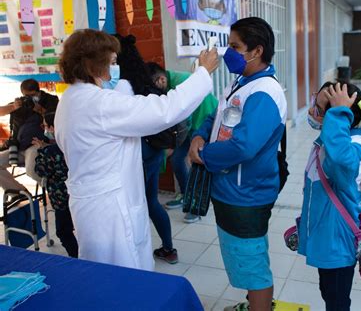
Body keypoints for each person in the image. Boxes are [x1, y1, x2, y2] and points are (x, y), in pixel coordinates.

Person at [55, 29, 218, 270]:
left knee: (102, 274)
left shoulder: (70, 99)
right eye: (111, 63)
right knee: (123, 277)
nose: (114, 69)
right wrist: (203, 72)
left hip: (92, 206)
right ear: (93, 65)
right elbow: (166, 110)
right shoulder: (100, 104)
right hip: (111, 211)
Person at [189, 17, 287, 311]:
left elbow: (245, 145)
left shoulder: (265, 93)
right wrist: (198, 135)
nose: (227, 52)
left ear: (256, 51)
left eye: (234, 46)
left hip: (246, 194)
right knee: (243, 260)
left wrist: (205, 156)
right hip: (230, 188)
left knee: (253, 266)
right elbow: (217, 114)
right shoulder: (242, 82)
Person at [298, 82, 361, 311]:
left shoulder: (353, 146)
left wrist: (337, 113)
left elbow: (340, 165)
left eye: (323, 108)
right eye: (317, 103)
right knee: (329, 292)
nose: (314, 111)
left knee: (337, 300)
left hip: (337, 242)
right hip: (326, 236)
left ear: (343, 117)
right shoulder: (329, 142)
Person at [113, 34, 177, 264]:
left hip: (137, 152)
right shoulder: (144, 79)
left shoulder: (120, 87)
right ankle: (168, 248)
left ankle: (133, 254)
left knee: (133, 204)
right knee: (150, 201)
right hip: (152, 150)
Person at [146, 62, 218, 223]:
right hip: (192, 126)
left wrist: (171, 145)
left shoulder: (181, 82)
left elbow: (184, 121)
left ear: (161, 80)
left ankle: (196, 206)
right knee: (178, 160)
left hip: (205, 123)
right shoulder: (168, 79)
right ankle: (186, 195)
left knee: (198, 164)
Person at [34, 111, 78, 258]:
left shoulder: (50, 151)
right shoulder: (74, 142)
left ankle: (76, 257)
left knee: (63, 231)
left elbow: (41, 170)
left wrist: (41, 151)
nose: (45, 130)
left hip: (61, 198)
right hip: (78, 194)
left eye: (46, 126)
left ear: (53, 127)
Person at [0, 79, 57, 192]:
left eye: (33, 95)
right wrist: (13, 107)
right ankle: (19, 193)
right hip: (18, 146)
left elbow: (57, 120)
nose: (30, 98)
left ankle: (55, 189)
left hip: (38, 144)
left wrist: (40, 110)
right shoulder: (22, 102)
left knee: (31, 171)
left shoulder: (51, 100)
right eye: (27, 95)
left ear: (38, 91)